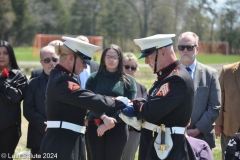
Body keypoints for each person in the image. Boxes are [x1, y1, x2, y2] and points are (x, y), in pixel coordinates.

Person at [39, 36, 127, 160]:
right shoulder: (62, 81)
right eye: (83, 62)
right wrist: (120, 101)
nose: (86, 67)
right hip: (62, 143)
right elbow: (91, 100)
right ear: (71, 59)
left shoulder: (62, 77)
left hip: (67, 140)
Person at [121, 34, 196, 160]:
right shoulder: (165, 77)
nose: (146, 61)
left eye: (149, 56)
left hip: (167, 150)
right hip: (157, 146)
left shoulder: (176, 79)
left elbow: (151, 112)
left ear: (163, 52)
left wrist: (134, 104)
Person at [85, 44, 137, 160]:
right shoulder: (93, 78)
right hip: (96, 125)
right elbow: (89, 102)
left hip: (119, 126)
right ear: (103, 58)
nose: (111, 60)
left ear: (120, 59)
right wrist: (103, 118)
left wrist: (109, 123)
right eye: (108, 57)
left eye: (115, 57)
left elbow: (129, 106)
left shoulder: (129, 81)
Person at [177, 31, 221, 149]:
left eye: (190, 47)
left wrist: (197, 130)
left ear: (197, 49)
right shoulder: (170, 73)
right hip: (175, 138)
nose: (185, 50)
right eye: (182, 47)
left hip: (202, 138)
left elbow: (215, 106)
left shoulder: (210, 74)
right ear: (178, 49)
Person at [23, 45, 59, 158]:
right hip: (39, 137)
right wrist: (44, 125)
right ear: (41, 62)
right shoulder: (32, 84)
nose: (51, 63)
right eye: (47, 60)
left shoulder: (68, 82)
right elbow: (28, 110)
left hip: (62, 137)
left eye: (54, 59)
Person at [0, 40, 27, 159]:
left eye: (5, 53)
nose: (1, 56)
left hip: (9, 128)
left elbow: (16, 97)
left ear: (10, 55)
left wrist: (2, 81)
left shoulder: (19, 75)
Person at [121, 52, 147, 160]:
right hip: (116, 129)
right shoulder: (115, 85)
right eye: (127, 67)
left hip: (133, 131)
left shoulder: (141, 88)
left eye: (133, 68)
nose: (130, 70)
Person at [215, 61, 240, 159]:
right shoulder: (227, 71)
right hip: (230, 126)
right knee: (228, 156)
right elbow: (219, 98)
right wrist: (218, 124)